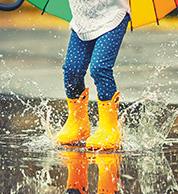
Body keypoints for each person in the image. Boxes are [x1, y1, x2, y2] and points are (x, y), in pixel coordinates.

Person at [55, 0, 131, 150]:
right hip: (82, 20)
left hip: (112, 15)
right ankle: (78, 125)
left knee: (99, 68)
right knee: (72, 70)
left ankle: (109, 128)